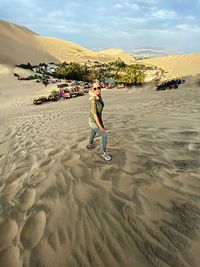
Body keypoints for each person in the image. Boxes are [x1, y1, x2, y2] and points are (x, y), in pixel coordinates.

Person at [87, 82, 112, 161]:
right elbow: (95, 115)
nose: (97, 89)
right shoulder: (93, 100)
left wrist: (93, 94)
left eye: (99, 88)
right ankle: (103, 153)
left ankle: (90, 144)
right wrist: (101, 127)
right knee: (104, 135)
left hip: (96, 120)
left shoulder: (98, 96)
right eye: (95, 88)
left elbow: (90, 92)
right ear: (92, 89)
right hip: (93, 121)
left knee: (93, 132)